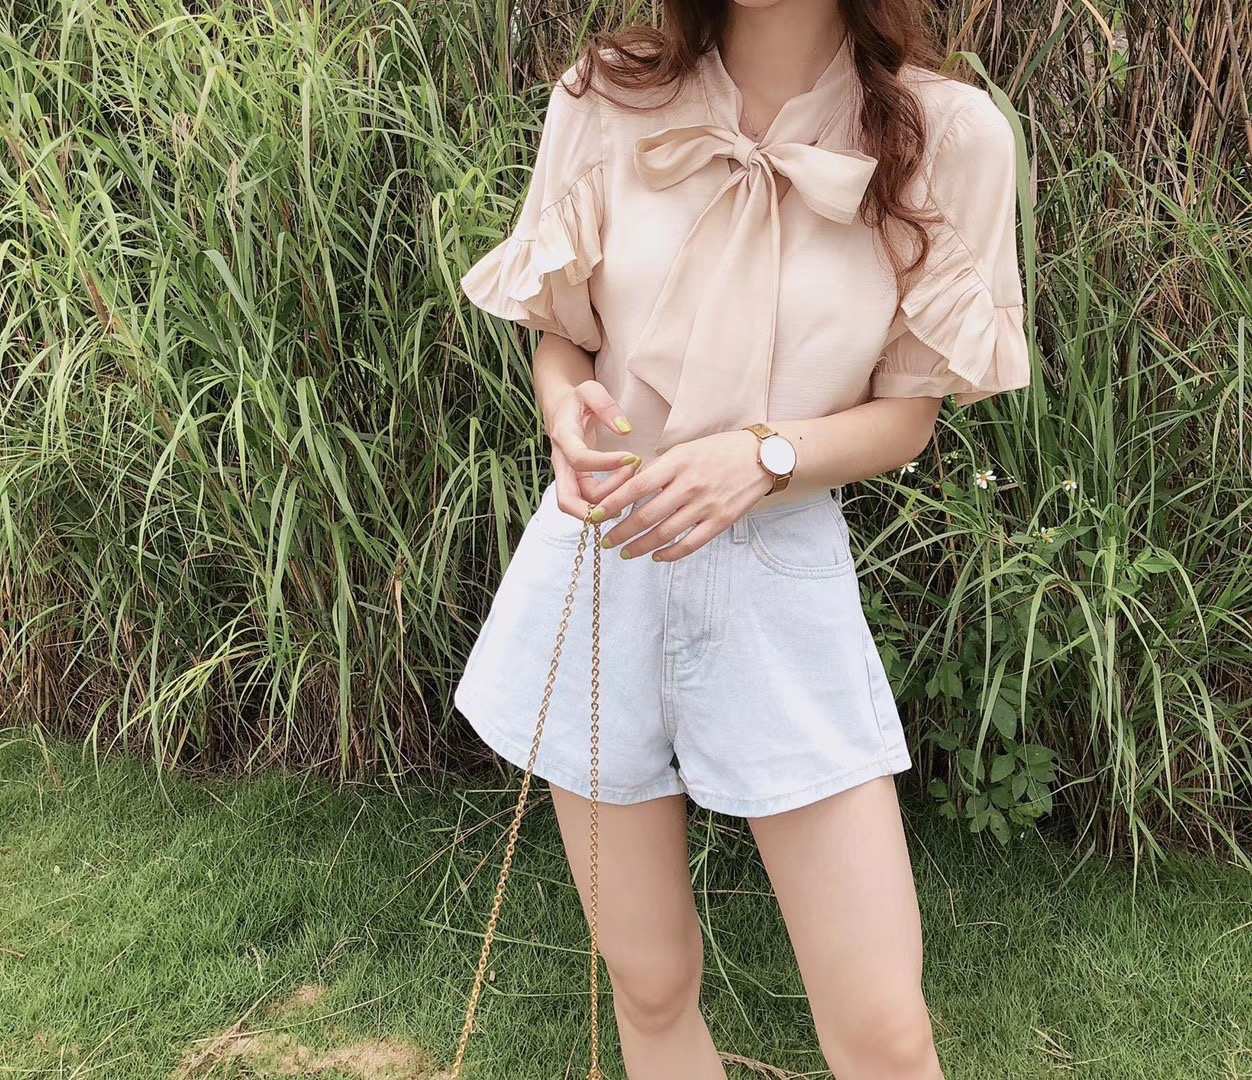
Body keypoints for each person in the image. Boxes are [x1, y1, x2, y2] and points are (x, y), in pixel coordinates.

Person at [455, 0, 1028, 1076]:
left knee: (885, 1033)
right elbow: (562, 337)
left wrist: (761, 456)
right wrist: (566, 411)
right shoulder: (607, 95)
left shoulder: (950, 136)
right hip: (604, 555)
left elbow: (907, 420)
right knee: (648, 984)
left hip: (779, 573)